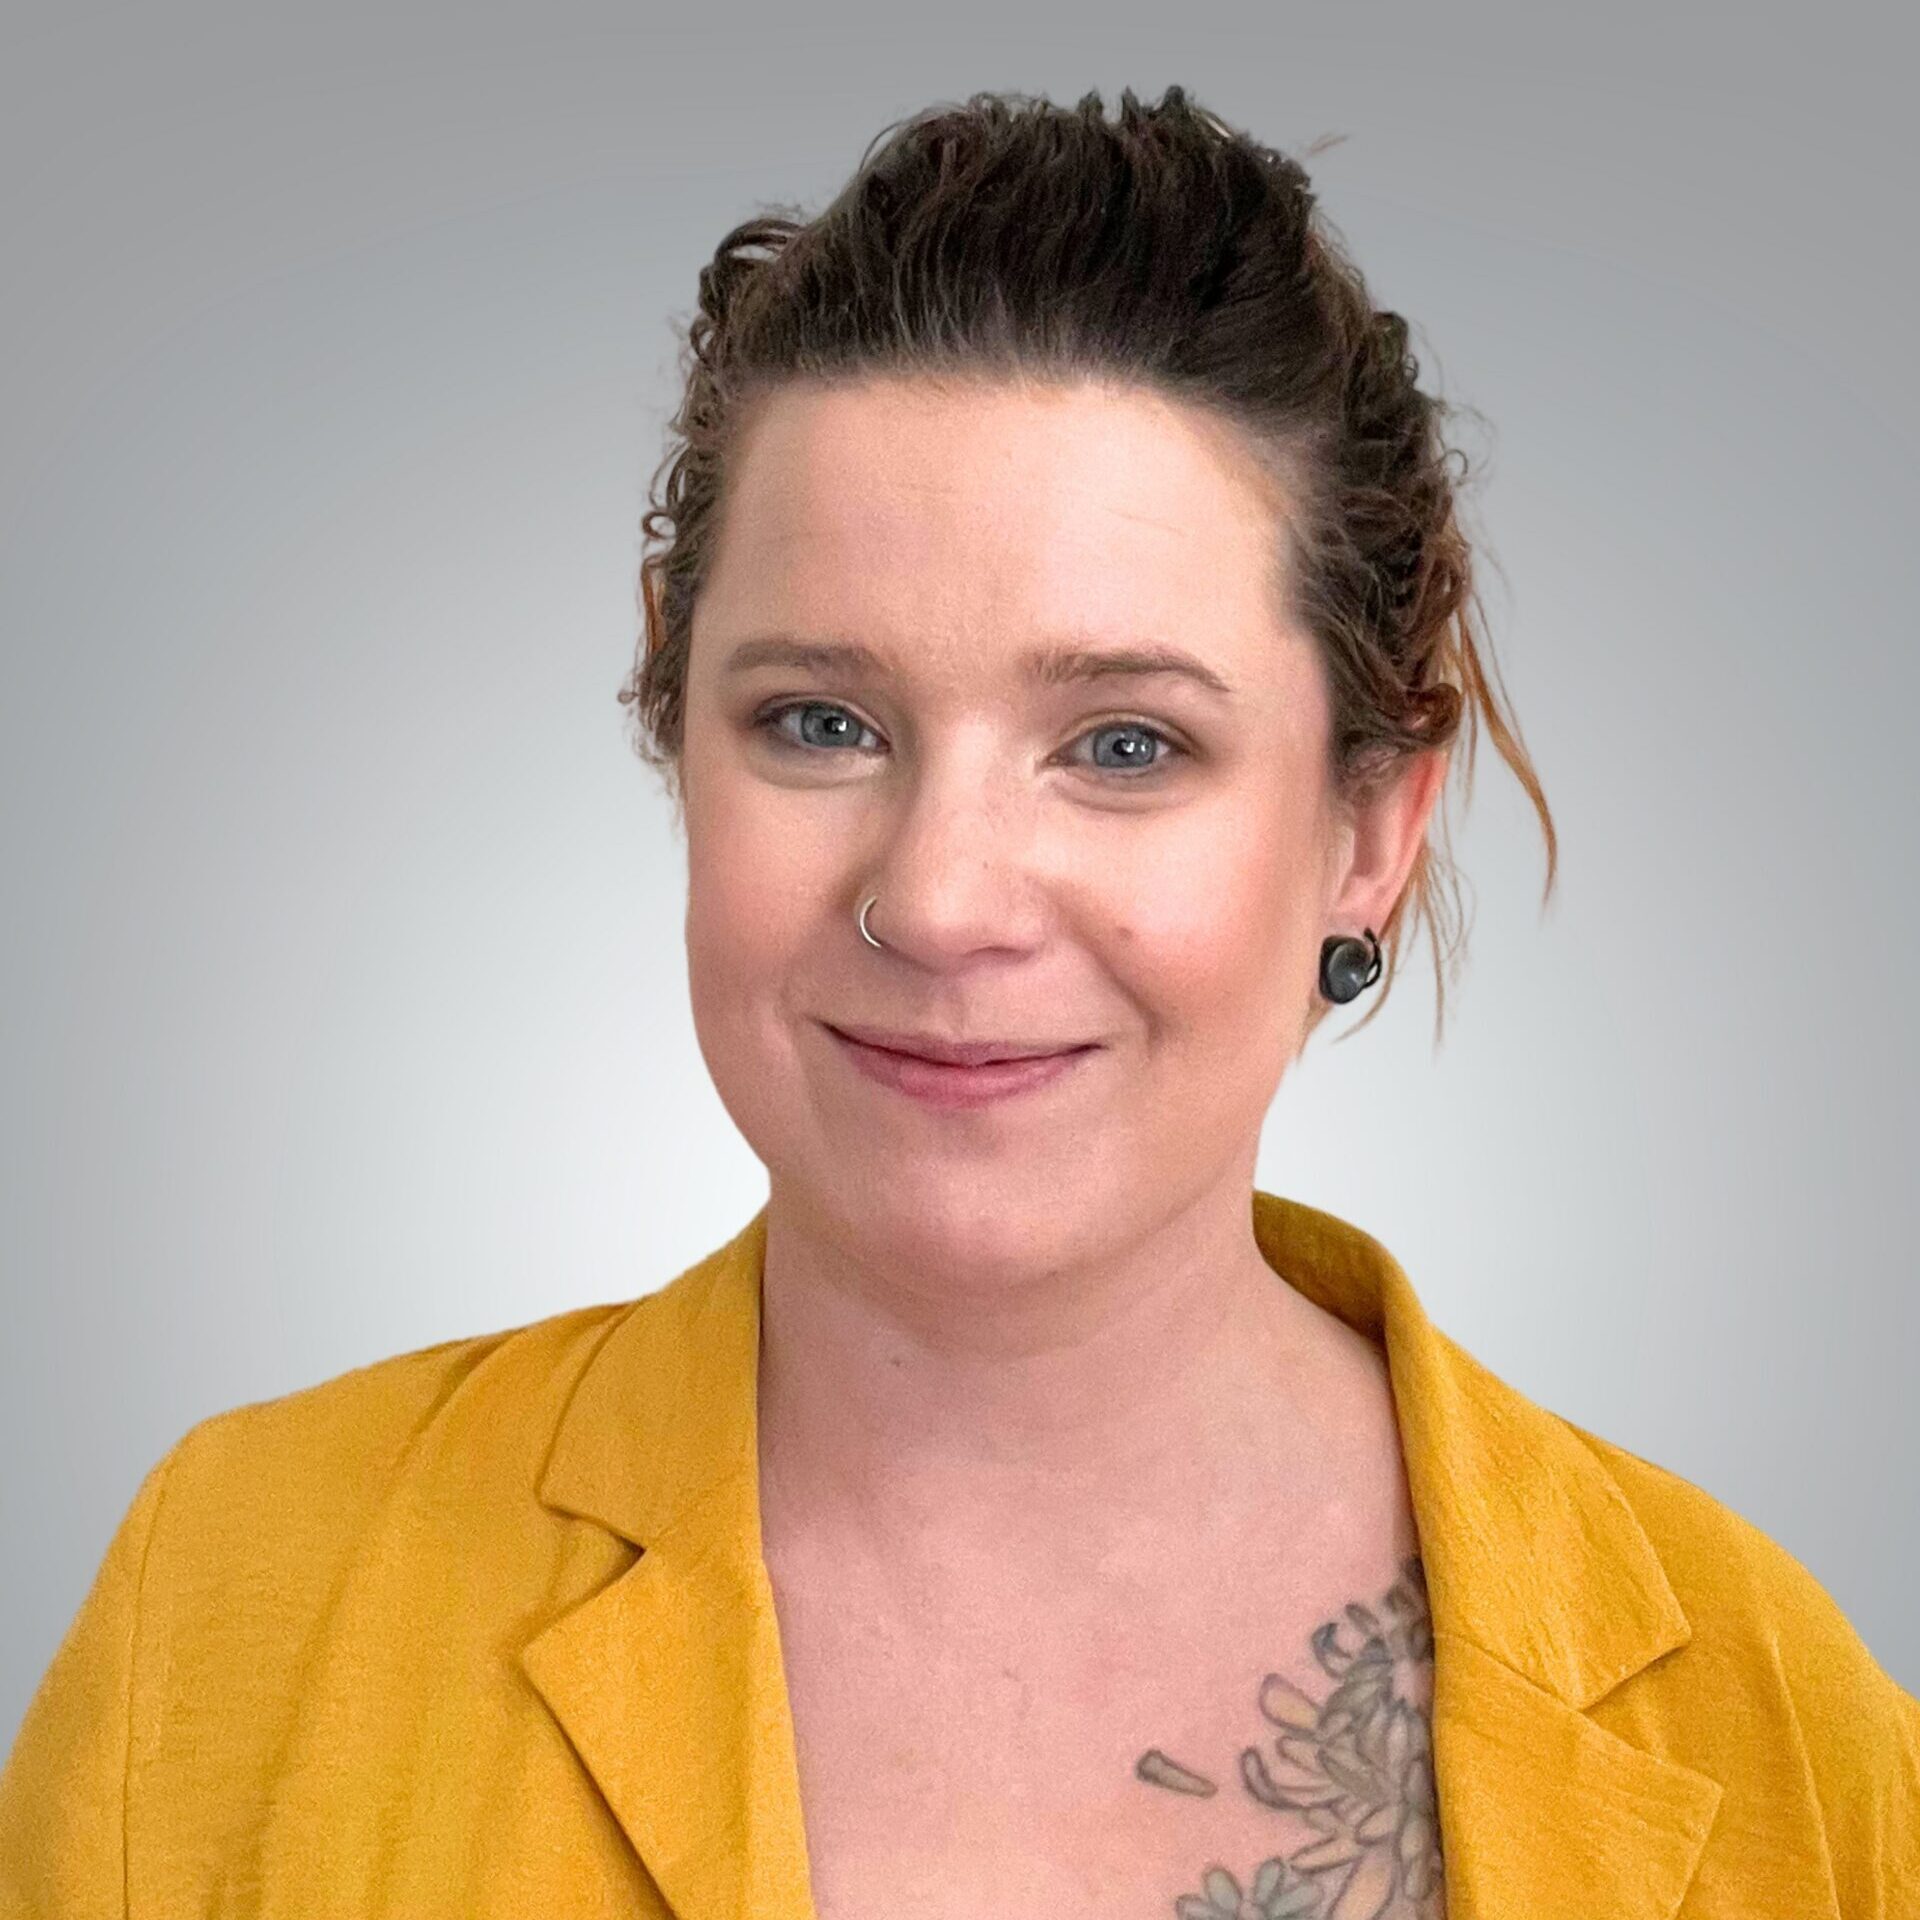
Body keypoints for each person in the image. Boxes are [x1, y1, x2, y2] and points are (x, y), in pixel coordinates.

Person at [3, 83, 1915, 1920]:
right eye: (821, 723)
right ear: (681, 736)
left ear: (1368, 829)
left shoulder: (1791, 1729)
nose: (937, 897)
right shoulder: (237, 1596)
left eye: (1123, 743)